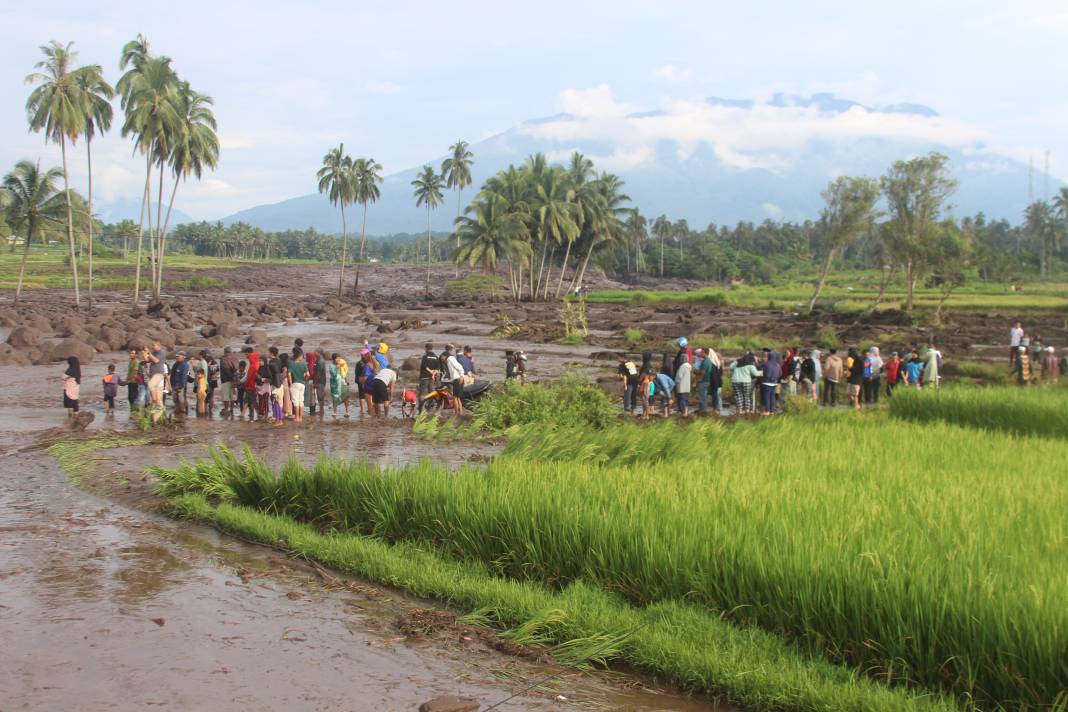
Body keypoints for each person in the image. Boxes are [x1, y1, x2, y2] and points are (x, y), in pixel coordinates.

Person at [444, 345, 466, 415]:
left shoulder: (450, 358)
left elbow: (459, 367)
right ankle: (461, 413)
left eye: (442, 357)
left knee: (455, 397)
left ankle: (456, 413)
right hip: (457, 379)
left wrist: (462, 375)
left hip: (458, 379)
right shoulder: (450, 359)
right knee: (458, 397)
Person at [288, 349, 308, 422]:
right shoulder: (303, 364)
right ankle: (300, 417)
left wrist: (290, 383)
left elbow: (289, 374)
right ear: (299, 356)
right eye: (302, 355)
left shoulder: (291, 364)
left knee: (295, 401)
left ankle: (296, 417)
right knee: (301, 401)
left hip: (295, 383)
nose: (302, 357)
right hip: (302, 384)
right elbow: (307, 375)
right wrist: (304, 380)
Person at [759, 351, 781, 415]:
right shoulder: (777, 365)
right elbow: (780, 374)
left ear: (769, 356)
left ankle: (767, 411)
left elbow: (758, 367)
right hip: (774, 383)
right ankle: (772, 411)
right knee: (772, 397)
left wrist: (756, 361)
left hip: (766, 383)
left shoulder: (766, 363)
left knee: (767, 397)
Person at [146, 340, 166, 407]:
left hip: (159, 373)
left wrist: (149, 353)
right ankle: (159, 410)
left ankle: (154, 401)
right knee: (158, 396)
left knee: (150, 385)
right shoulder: (154, 352)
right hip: (152, 374)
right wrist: (145, 353)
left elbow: (156, 360)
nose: (152, 347)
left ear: (158, 345)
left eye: (154, 345)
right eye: (152, 345)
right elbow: (148, 360)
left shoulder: (161, 352)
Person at [329, 352, 350, 418]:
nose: (338, 359)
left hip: (343, 383)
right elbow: (334, 375)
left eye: (339, 358)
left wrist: (347, 381)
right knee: (335, 398)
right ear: (333, 359)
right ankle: (334, 412)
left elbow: (346, 373)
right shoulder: (331, 366)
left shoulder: (343, 364)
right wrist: (337, 367)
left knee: (345, 397)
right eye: (336, 358)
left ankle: (347, 412)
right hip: (335, 384)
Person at [219, 347, 238, 417]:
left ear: (224, 352)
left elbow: (226, 370)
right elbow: (236, 369)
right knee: (232, 396)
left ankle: (226, 409)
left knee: (226, 397)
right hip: (234, 380)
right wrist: (234, 379)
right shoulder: (235, 358)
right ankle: (232, 409)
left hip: (226, 380)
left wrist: (230, 378)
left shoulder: (223, 359)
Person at [243, 348, 260, 420]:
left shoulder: (252, 366)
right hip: (255, 385)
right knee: (248, 400)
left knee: (252, 401)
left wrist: (245, 384)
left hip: (250, 386)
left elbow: (249, 377)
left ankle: (258, 413)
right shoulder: (257, 364)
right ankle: (243, 413)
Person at [693, 348, 711, 414]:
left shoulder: (706, 361)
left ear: (705, 353)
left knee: (702, 397)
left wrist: (694, 371)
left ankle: (703, 410)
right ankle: (702, 409)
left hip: (703, 381)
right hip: (705, 380)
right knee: (703, 396)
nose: (700, 354)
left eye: (702, 352)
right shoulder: (707, 360)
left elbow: (702, 372)